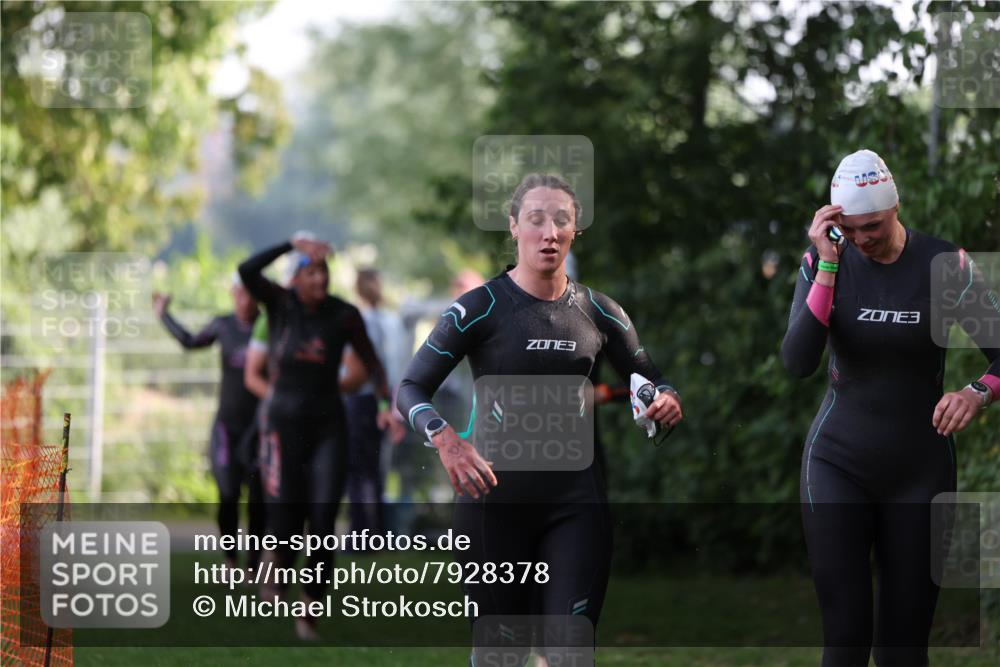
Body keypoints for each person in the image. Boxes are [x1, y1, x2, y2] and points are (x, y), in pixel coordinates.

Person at [396, 173, 683, 663]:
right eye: (535, 219)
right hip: (492, 508)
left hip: (576, 507)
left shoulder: (600, 311)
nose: (549, 232)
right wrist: (446, 439)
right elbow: (410, 388)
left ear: (575, 231)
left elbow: (652, 379)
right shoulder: (480, 307)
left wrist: (667, 399)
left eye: (561, 220)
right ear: (514, 227)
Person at [781, 149, 999, 667]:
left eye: (872, 226)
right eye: (849, 229)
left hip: (920, 471)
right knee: (846, 639)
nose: (861, 239)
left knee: (904, 648)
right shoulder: (823, 261)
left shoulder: (944, 266)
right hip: (837, 464)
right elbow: (797, 361)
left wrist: (977, 391)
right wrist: (828, 266)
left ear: (895, 207)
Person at [237, 234, 391, 640]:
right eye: (311, 272)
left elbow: (372, 362)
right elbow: (246, 270)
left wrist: (384, 403)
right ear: (295, 279)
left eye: (324, 271)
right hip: (282, 427)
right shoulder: (279, 304)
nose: (320, 279)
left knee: (322, 523)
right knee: (287, 518)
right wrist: (291, 244)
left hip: (328, 428)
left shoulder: (344, 315)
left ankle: (309, 612)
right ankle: (277, 575)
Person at [152, 275, 265, 574]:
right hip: (227, 428)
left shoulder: (268, 327)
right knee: (228, 495)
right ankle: (231, 561)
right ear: (233, 294)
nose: (244, 301)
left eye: (250, 295)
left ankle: (254, 564)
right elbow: (191, 341)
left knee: (258, 500)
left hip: (258, 429)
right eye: (240, 294)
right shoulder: (223, 325)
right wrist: (163, 314)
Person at [343, 269, 407, 541]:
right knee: (377, 468)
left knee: (358, 468)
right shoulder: (394, 322)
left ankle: (360, 534)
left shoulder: (360, 321)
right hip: (389, 398)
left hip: (362, 398)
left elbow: (357, 368)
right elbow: (401, 365)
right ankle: (377, 531)